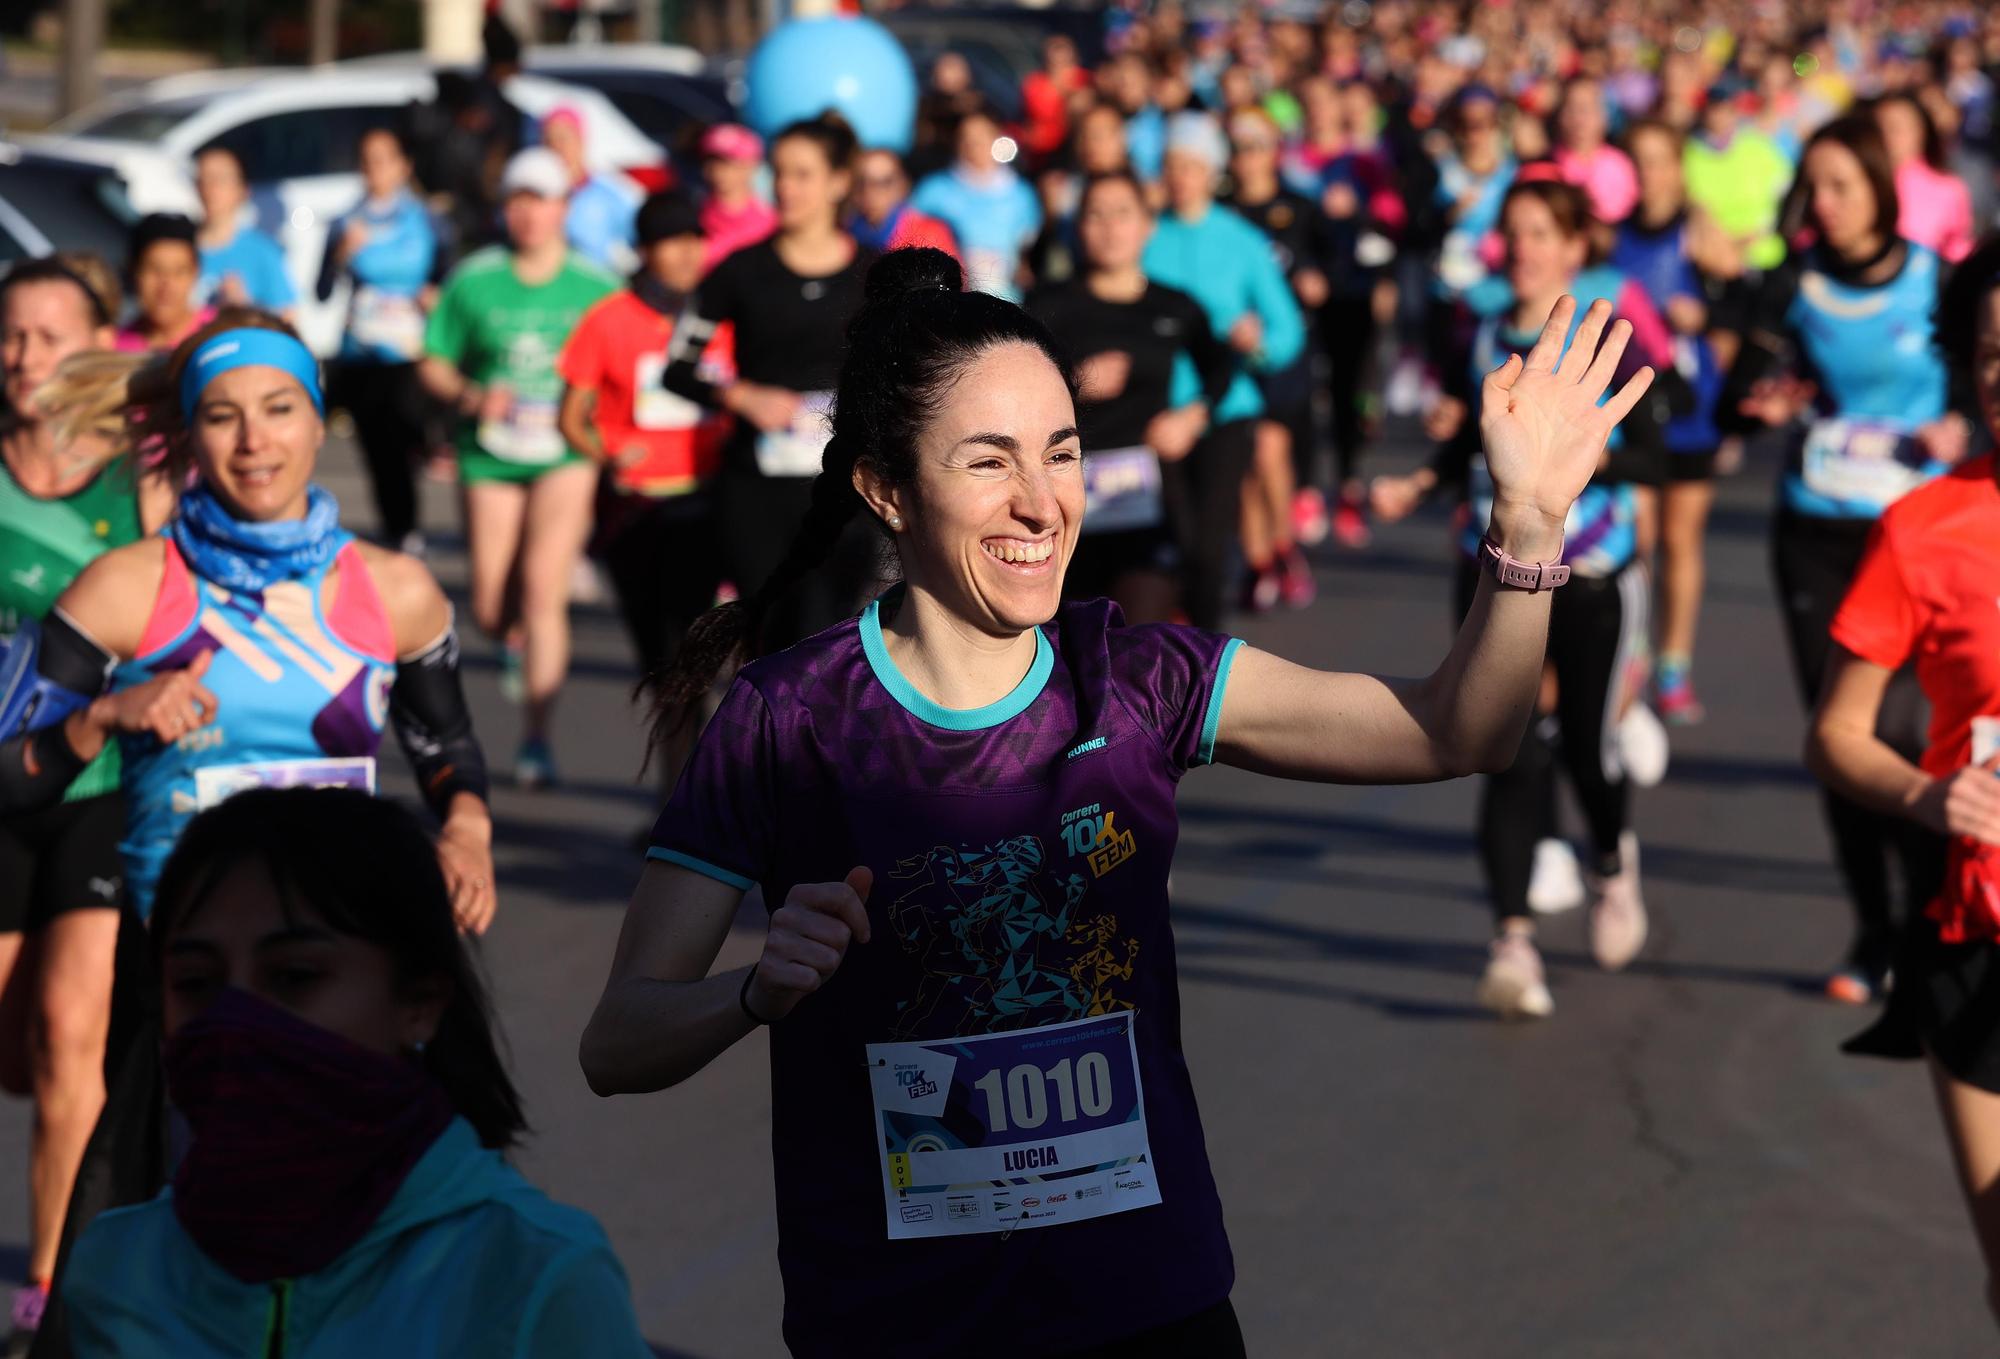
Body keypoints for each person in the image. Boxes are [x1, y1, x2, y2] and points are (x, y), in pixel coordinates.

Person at [579, 245, 1654, 1357]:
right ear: (885, 489)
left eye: (1061, 452)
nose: (1041, 503)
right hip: (893, 1328)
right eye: (989, 462)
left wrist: (1527, 526)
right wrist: (752, 992)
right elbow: (616, 1043)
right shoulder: (783, 716)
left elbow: (1455, 729)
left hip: (1148, 1312)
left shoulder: (1140, 681)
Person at [60, 786, 650, 1357]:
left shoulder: (534, 1277)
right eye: (194, 984)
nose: (234, 1020)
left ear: (418, 1003)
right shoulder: (115, 1271)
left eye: (294, 976)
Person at [0, 309, 496, 937]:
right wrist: (97, 720)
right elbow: (11, 779)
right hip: (177, 971)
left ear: (320, 422)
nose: (253, 440)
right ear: (187, 437)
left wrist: (467, 830)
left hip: (335, 955)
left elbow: (446, 745)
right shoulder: (127, 586)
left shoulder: (395, 589)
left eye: (279, 408)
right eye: (221, 416)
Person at [1372, 178, 1673, 1019]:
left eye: (1544, 232)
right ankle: (1512, 941)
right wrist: (1422, 481)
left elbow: (1659, 451)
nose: (1527, 248)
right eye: (1516, 233)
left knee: (1584, 745)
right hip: (1491, 561)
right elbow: (1477, 442)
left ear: (1578, 246)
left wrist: (1579, 454)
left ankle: (1611, 860)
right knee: (1500, 744)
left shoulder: (1604, 337)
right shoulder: (1481, 330)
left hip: (1591, 565)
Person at [1805, 233, 2000, 1328]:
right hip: (1976, 935)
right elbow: (1832, 734)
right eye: (1985, 356)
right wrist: (1926, 797)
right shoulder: (1921, 529)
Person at [1731, 114, 1967, 1004]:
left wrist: (1965, 427)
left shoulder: (1936, 281)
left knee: (1907, 734)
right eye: (1815, 187)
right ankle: (1874, 927)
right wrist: (1757, 401)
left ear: (1879, 187)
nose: (1825, 205)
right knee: (1839, 739)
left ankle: (1926, 919)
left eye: (1843, 186)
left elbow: (1983, 391)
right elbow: (1728, 405)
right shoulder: (1792, 282)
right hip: (1817, 530)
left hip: (1917, 533)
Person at [0, 254, 171, 1353]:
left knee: (72, 1035)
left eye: (50, 338)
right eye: (10, 337)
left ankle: (48, 1297)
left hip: (103, 792)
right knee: (15, 1047)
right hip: (0, 784)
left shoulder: (136, 480)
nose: (24, 360)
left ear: (96, 348)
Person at [420, 147, 620, 790]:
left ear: (565, 208)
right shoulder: (474, 279)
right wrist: (472, 396)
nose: (531, 214)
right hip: (491, 452)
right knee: (488, 603)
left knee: (543, 588)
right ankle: (509, 639)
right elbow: (433, 360)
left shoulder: (596, 286)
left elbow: (625, 365)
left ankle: (537, 738)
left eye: (543, 200)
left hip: (565, 453)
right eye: (519, 200)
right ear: (506, 208)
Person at [662, 113, 876, 653]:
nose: (785, 187)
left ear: (838, 183)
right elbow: (677, 367)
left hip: (845, 489)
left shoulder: (874, 276)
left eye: (802, 174)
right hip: (755, 491)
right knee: (770, 643)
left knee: (830, 638)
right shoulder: (738, 271)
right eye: (778, 173)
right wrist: (738, 394)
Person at [557, 190, 731, 780]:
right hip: (631, 509)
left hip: (706, 502)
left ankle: (693, 798)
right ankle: (677, 794)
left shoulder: (720, 317)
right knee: (657, 660)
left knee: (691, 652)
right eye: (670, 243)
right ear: (644, 251)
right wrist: (605, 453)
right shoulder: (609, 319)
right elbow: (570, 416)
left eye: (694, 240)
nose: (686, 255)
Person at [1027, 171, 1234, 623]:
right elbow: (1010, 387)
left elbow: (1223, 365)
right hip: (1064, 500)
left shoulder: (1173, 306)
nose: (1109, 228)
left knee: (1136, 644)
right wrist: (1075, 385)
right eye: (1095, 215)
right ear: (1079, 227)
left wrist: (1191, 418)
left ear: (1147, 225)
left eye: (1123, 214)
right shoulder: (1047, 305)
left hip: (1146, 496)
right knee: (1065, 649)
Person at [1141, 112, 1305, 631]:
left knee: (1209, 548)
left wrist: (1259, 344)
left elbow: (1287, 329)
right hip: (1156, 412)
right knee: (1167, 543)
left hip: (1225, 408)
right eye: (1172, 165)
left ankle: (1207, 664)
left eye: (1192, 165)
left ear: (1213, 172)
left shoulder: (1241, 241)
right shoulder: (1144, 236)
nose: (1181, 176)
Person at [1611, 119, 1730, 726]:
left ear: (1679, 167)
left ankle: (1674, 665)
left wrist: (1703, 314)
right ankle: (1634, 655)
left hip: (1692, 405)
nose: (1650, 174)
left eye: (1660, 161)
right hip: (1635, 407)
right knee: (1644, 539)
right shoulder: (1612, 236)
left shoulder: (1698, 229)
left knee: (1682, 539)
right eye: (1640, 162)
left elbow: (1740, 309)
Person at [315, 126, 439, 555]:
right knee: (375, 446)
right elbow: (322, 290)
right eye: (367, 159)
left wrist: (434, 295)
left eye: (384, 159)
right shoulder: (346, 221)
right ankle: (396, 528)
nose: (375, 169)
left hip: (410, 351)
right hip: (362, 351)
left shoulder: (426, 219)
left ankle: (408, 525)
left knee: (403, 438)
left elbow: (447, 276)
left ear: (404, 166)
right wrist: (340, 256)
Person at [1222, 107, 1328, 598]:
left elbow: (1331, 268)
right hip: (1230, 350)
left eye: (1256, 147)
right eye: (1238, 149)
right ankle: (1259, 557)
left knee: (1268, 448)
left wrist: (1315, 281)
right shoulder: (1221, 211)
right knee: (1244, 458)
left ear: (1274, 151)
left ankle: (1280, 543)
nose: (1247, 159)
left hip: (1282, 351)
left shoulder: (1301, 208)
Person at [911, 106, 1043, 301]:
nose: (973, 145)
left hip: (1007, 298)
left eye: (981, 137)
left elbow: (1027, 249)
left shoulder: (1021, 194)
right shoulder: (933, 191)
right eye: (966, 138)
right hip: (948, 298)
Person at [1681, 74, 1792, 275]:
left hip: (1766, 253)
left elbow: (1785, 191)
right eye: (1715, 109)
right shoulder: (1690, 154)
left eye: (1727, 110)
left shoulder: (1759, 145)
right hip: (1718, 260)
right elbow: (1695, 208)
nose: (1720, 116)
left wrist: (1761, 231)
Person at [1874, 91, 1977, 264]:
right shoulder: (1859, 181)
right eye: (1878, 128)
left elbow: (1957, 247)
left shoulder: (1948, 188)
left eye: (1895, 128)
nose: (1886, 136)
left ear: (1921, 132)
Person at [192, 147, 295, 317]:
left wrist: (244, 309)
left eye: (220, 179)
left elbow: (288, 318)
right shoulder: (180, 247)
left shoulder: (262, 251)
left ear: (242, 190)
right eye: (203, 179)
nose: (210, 188)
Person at [542, 106, 641, 274]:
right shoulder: (537, 195)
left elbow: (638, 241)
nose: (556, 147)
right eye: (549, 141)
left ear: (581, 140)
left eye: (563, 138)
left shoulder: (611, 192)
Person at [115, 215, 212, 355]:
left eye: (179, 272)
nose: (167, 286)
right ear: (134, 271)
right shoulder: (114, 352)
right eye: (155, 270)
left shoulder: (219, 335)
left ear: (195, 273)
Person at [1553, 78, 1639, 226]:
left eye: (1588, 109)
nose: (1579, 119)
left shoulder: (1621, 166)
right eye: (1571, 108)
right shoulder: (1546, 165)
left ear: (1605, 116)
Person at [848, 149, 959, 259]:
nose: (869, 191)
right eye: (861, 182)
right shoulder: (846, 234)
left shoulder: (930, 235)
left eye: (884, 182)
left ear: (902, 185)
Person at [698, 123, 778, 275]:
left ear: (751, 165)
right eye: (712, 161)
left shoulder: (770, 224)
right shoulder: (694, 218)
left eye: (728, 162)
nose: (718, 170)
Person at [1022, 33, 1093, 168]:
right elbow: (1028, 121)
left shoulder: (1087, 82)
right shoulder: (1034, 84)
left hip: (1077, 146)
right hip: (1043, 152)